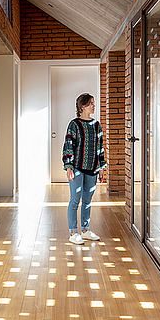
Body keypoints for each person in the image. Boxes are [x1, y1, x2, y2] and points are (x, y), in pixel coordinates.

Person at [62, 93, 106, 245]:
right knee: (75, 200)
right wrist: (68, 166)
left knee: (87, 201)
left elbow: (100, 148)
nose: (94, 106)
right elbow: (68, 145)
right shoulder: (74, 125)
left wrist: (101, 167)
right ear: (82, 106)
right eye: (90, 103)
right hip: (77, 168)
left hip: (92, 169)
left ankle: (85, 231)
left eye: (93, 103)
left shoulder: (96, 125)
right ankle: (73, 232)